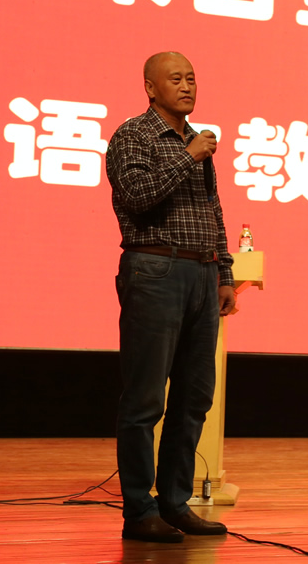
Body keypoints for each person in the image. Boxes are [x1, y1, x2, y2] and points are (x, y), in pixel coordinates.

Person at [105, 51, 238, 543]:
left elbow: (212, 211)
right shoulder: (133, 136)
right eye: (175, 79)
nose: (187, 86)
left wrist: (224, 273)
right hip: (155, 269)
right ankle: (140, 510)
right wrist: (189, 157)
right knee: (145, 399)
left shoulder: (195, 140)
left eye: (192, 78)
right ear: (150, 87)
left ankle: (175, 503)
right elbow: (137, 197)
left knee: (194, 397)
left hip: (202, 273)